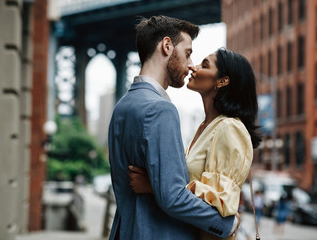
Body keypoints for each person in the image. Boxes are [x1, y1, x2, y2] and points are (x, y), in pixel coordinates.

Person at [108, 16, 237, 240]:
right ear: (167, 46)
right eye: (187, 53)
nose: (190, 64)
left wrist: (154, 185)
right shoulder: (161, 110)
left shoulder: (122, 106)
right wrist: (226, 223)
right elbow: (173, 197)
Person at [129, 48, 262, 239]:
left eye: (204, 65)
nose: (193, 66)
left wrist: (155, 187)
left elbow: (219, 206)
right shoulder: (204, 128)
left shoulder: (230, 128)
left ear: (222, 81)